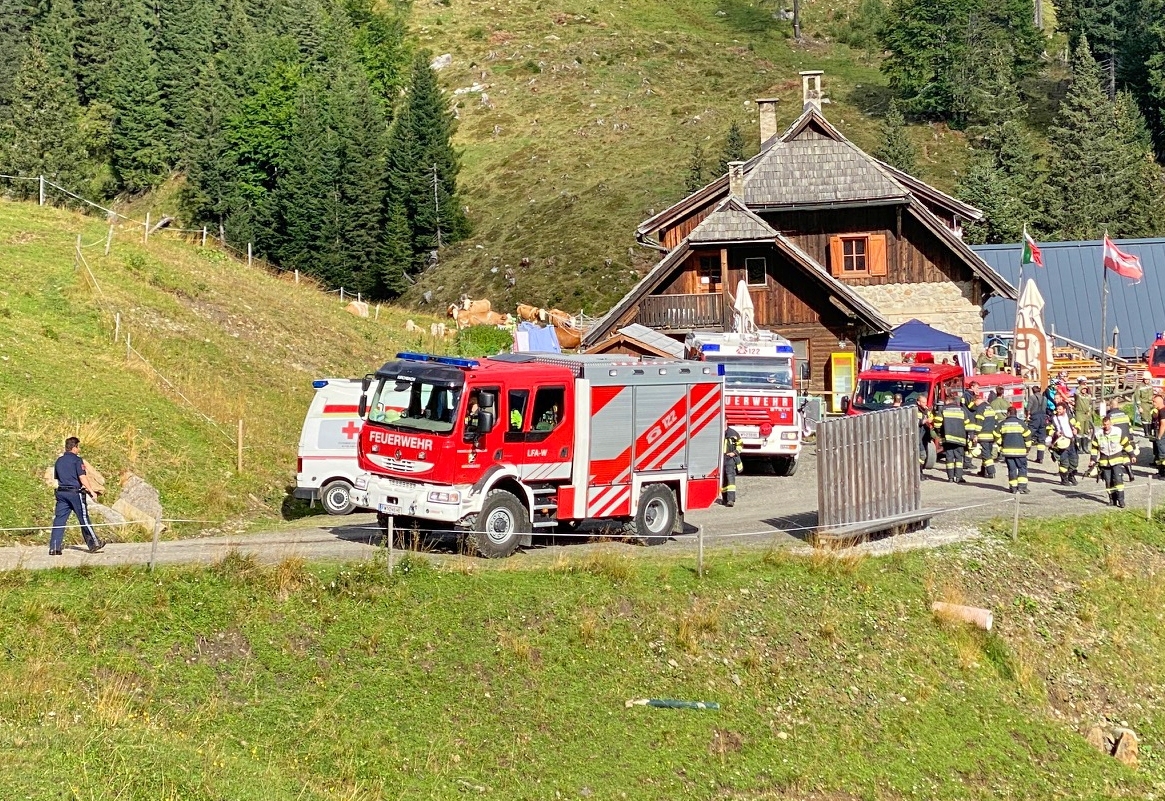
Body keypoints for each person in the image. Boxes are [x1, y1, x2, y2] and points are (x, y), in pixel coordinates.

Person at [49, 437, 106, 555]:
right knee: (83, 517)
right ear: (74, 447)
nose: (79, 449)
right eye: (78, 447)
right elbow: (82, 477)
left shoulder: (59, 461)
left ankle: (54, 547)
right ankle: (94, 543)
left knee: (59, 519)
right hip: (75, 493)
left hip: (61, 492)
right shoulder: (77, 460)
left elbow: (57, 478)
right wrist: (91, 491)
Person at [1089, 413, 1135, 507]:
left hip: (1117, 459)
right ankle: (1112, 500)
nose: (1106, 426)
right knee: (1108, 481)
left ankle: (1121, 501)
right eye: (1104, 425)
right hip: (1104, 462)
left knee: (1118, 480)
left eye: (1108, 424)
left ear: (1111, 424)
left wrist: (1132, 455)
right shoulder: (1098, 435)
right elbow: (1094, 448)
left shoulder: (1117, 432)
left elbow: (1126, 444)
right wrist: (1093, 460)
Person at [996, 406, 1033, 494]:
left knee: (1011, 469)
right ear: (1016, 413)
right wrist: (1028, 448)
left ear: (1008, 413)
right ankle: (1022, 487)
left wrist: (1001, 444)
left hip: (1008, 452)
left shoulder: (1002, 424)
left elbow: (996, 435)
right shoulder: (1021, 423)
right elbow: (1028, 437)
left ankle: (1013, 488)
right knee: (1022, 468)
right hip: (1020, 452)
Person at [934, 392, 969, 484]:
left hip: (948, 438)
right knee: (959, 459)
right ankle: (958, 477)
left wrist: (939, 433)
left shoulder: (943, 410)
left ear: (948, 401)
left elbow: (937, 423)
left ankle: (950, 478)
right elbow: (967, 423)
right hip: (960, 438)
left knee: (949, 458)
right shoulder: (962, 410)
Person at [1049, 401, 1080, 486]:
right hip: (1061, 444)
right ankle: (1064, 479)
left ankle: (1071, 476)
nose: (1058, 411)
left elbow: (1077, 424)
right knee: (1064, 463)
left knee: (1074, 462)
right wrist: (1055, 433)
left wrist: (1076, 429)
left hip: (1072, 442)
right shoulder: (1054, 419)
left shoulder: (1070, 417)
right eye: (1057, 409)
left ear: (1064, 410)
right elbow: (1048, 429)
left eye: (1060, 409)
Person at [970, 389, 999, 479]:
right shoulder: (990, 407)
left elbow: (979, 423)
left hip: (983, 435)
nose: (975, 405)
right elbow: (996, 420)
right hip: (991, 435)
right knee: (986, 453)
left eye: (975, 402)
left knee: (986, 454)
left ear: (976, 400)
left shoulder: (980, 409)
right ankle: (983, 471)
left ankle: (991, 472)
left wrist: (975, 434)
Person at [1027, 385, 1049, 465]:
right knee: (1041, 438)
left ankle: (1025, 453)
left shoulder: (1032, 398)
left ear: (1033, 391)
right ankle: (1040, 458)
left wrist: (1028, 415)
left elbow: (1028, 408)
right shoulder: (1045, 398)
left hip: (1035, 418)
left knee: (1028, 435)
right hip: (1043, 417)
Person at [722, 427, 743, 507]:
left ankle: (731, 500)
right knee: (723, 479)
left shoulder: (733, 433)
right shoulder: (718, 431)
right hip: (721, 459)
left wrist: (734, 453)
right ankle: (724, 499)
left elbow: (740, 444)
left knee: (730, 478)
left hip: (730, 458)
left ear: (726, 422)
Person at [1073, 379, 1095, 455]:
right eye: (1083, 389)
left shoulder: (1088, 396)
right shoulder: (1078, 396)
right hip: (1079, 413)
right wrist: (1081, 386)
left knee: (1086, 431)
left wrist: (1090, 412)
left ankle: (1085, 447)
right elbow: (1076, 392)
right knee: (1080, 431)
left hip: (1086, 414)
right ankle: (1079, 448)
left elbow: (1090, 405)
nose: (1084, 390)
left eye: (1085, 389)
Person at [916, 395, 934, 480]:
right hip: (918, 437)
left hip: (924, 437)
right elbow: (914, 422)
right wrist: (924, 421)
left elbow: (930, 417)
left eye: (925, 402)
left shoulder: (926, 410)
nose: (925, 404)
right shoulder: (915, 410)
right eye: (923, 402)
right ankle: (918, 473)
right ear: (918, 402)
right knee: (922, 455)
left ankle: (920, 472)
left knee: (923, 456)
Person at [1135, 372, 1156, 439]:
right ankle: (1146, 433)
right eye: (1145, 379)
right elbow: (1137, 397)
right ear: (1143, 379)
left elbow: (1152, 394)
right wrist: (1139, 407)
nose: (1147, 380)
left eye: (1148, 379)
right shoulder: (1140, 386)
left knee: (1150, 418)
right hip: (1143, 404)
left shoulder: (1150, 385)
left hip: (1150, 404)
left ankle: (1150, 432)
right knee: (1144, 418)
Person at [1152, 394, 1165, 480]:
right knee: (1159, 455)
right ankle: (1160, 472)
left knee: (1162, 456)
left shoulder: (1162, 411)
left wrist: (1159, 436)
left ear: (1158, 402)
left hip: (1162, 436)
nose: (1153, 403)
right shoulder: (1158, 411)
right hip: (1161, 435)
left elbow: (1163, 424)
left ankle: (1163, 474)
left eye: (1154, 402)